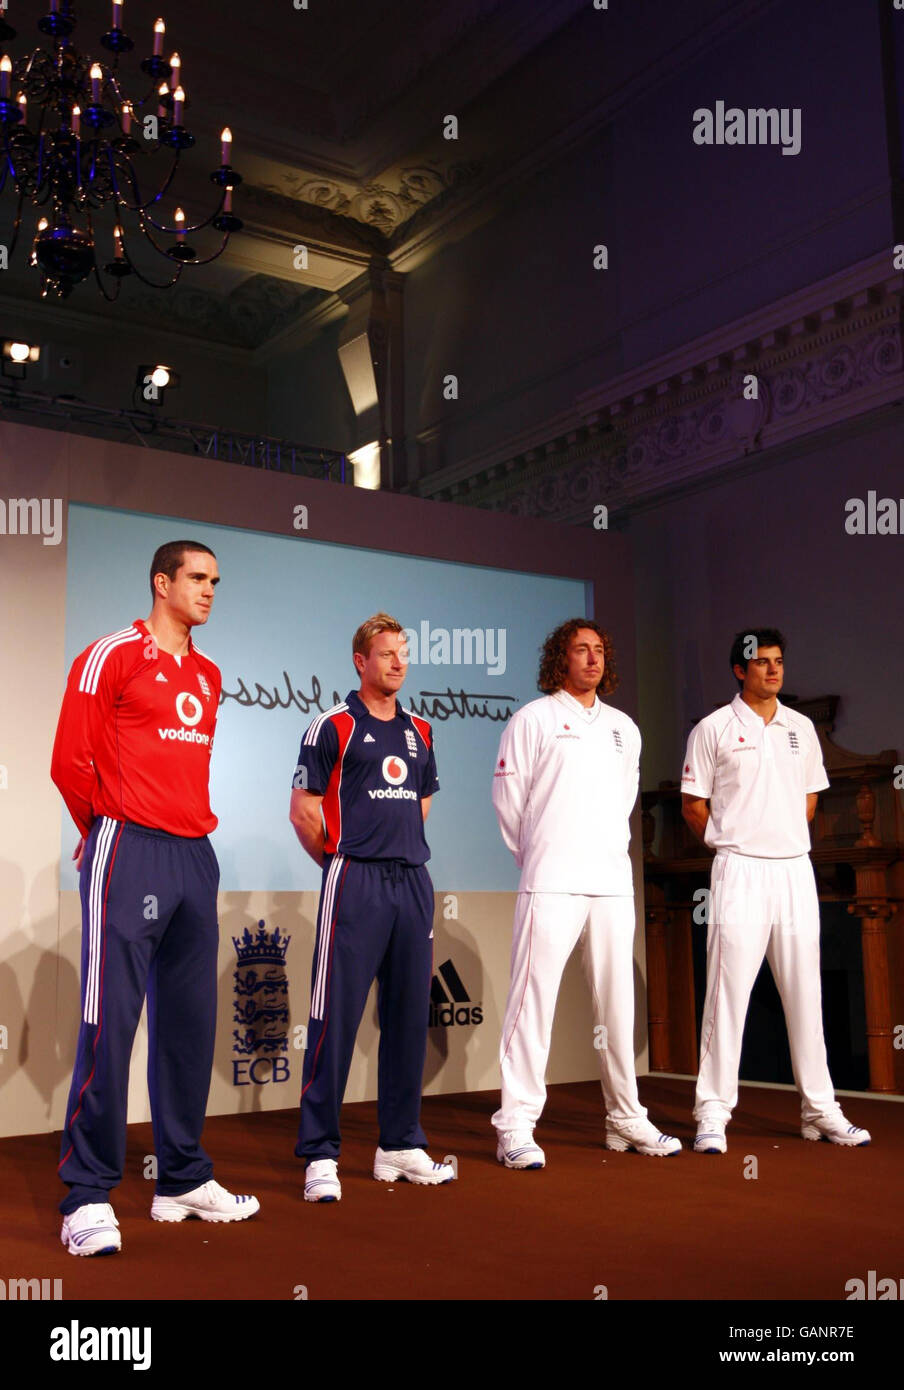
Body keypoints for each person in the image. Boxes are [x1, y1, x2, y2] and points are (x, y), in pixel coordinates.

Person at [50, 540, 260, 1256]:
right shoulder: (110, 654)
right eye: (197, 579)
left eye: (216, 581)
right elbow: (67, 761)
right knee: (110, 1021)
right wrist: (105, 830)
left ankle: (180, 1178)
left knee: (189, 1025)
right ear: (161, 582)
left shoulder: (208, 672)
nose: (209, 590)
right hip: (126, 848)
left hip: (193, 858)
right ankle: (85, 1194)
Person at [491, 618, 681, 1167]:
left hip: (611, 884)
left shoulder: (625, 728)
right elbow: (510, 805)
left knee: (618, 1007)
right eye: (581, 650)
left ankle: (625, 1118)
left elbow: (623, 803)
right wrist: (539, 861)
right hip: (549, 879)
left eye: (599, 649)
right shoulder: (533, 719)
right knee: (533, 1005)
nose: (593, 659)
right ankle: (516, 1126)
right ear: (561, 659)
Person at [681, 628, 871, 1154]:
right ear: (739, 670)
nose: (772, 670)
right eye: (761, 662)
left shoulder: (801, 728)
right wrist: (735, 842)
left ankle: (820, 1109)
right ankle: (713, 1112)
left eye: (779, 661)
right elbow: (693, 806)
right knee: (728, 995)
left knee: (806, 993)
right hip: (738, 870)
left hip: (794, 870)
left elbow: (809, 800)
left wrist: (780, 836)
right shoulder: (714, 728)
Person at [289, 613, 454, 1201]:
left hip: (412, 882)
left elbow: (420, 804)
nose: (397, 663)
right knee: (334, 1017)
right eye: (386, 654)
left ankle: (400, 1145)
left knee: (410, 1016)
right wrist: (343, 866)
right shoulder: (331, 724)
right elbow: (304, 811)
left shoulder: (421, 730)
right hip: (354, 880)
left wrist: (397, 850)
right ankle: (320, 1155)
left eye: (403, 654)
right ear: (361, 661)